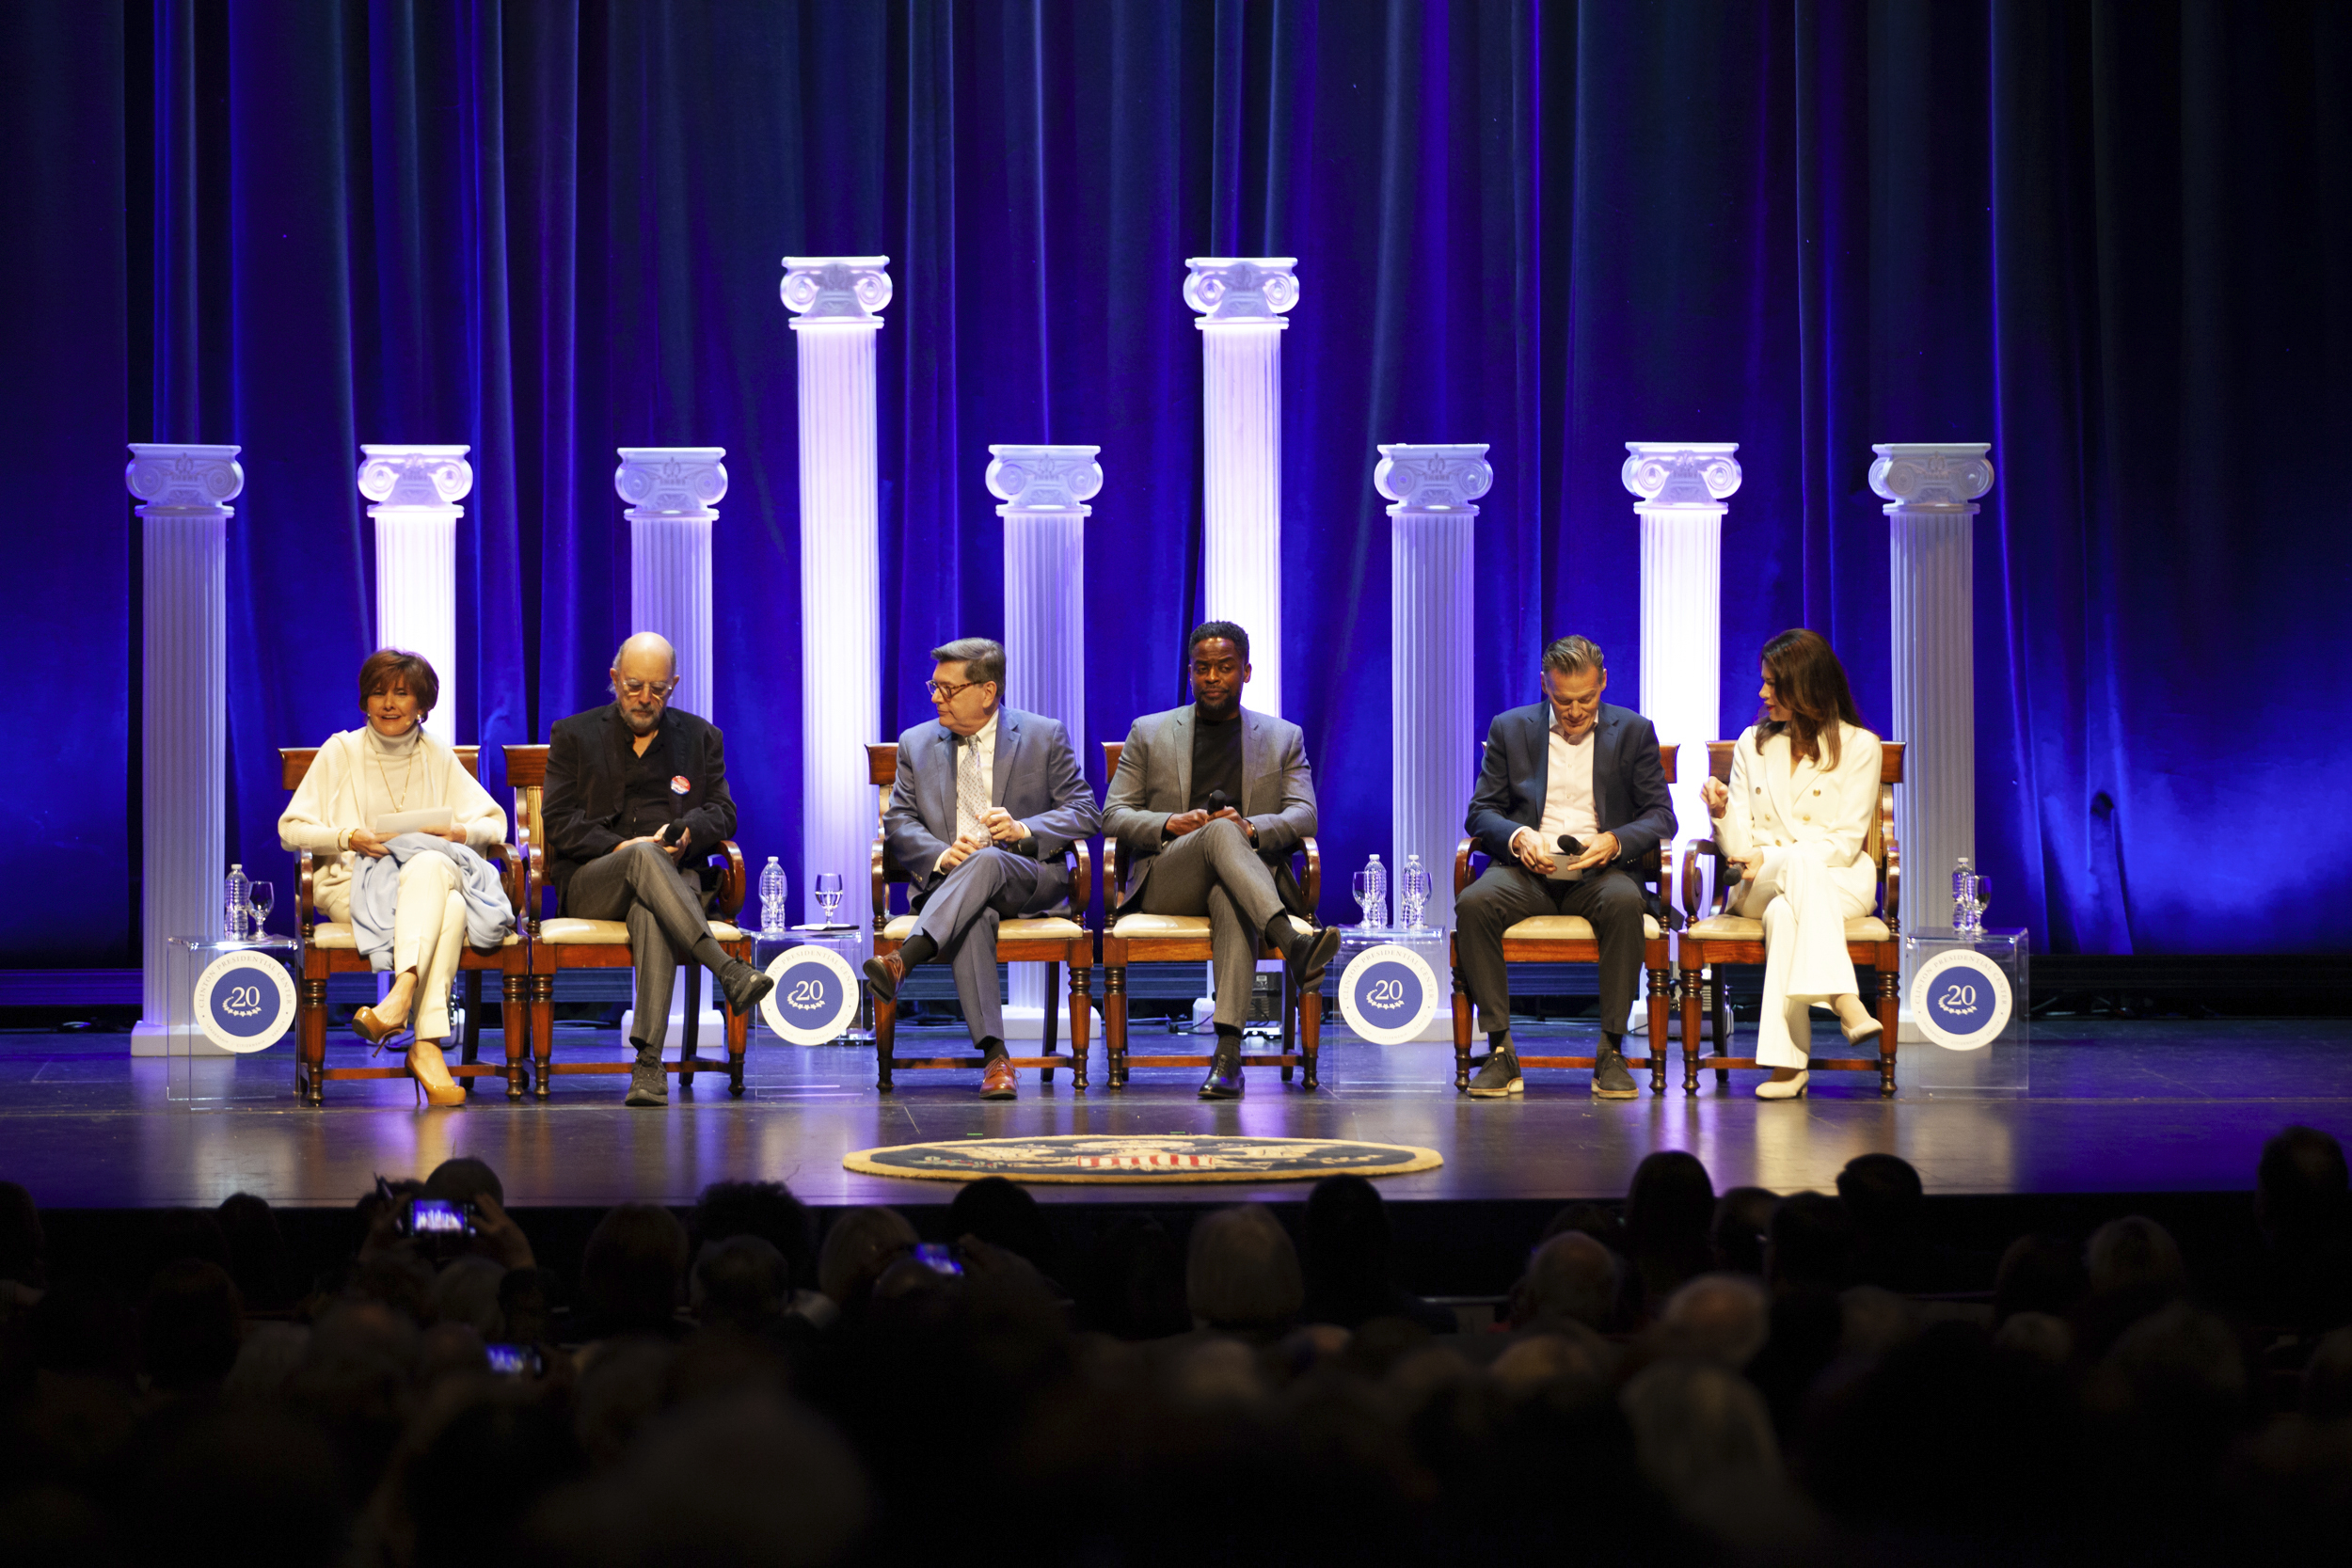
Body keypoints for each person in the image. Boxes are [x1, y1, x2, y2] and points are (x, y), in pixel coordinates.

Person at [1103, 622, 1341, 1099]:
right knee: (1217, 832)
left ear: (1246, 672)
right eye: (1203, 668)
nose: (1213, 677)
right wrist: (1170, 823)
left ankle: (1228, 1055)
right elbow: (1113, 814)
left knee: (1229, 891)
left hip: (1242, 880)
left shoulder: (1282, 737)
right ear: (1191, 673)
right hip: (1169, 876)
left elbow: (1304, 813)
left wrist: (1251, 828)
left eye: (1225, 667)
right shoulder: (1148, 732)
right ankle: (1291, 941)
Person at [861, 638, 1102, 1100]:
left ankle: (903, 959)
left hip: (1025, 879)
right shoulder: (916, 742)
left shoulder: (1042, 734)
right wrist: (938, 854)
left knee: (989, 857)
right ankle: (997, 1060)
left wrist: (1023, 827)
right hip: (951, 886)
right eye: (934, 686)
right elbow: (899, 820)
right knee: (975, 916)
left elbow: (1086, 811)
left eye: (947, 690)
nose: (935, 698)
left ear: (987, 691)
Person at [544, 633, 774, 1108]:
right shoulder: (575, 734)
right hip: (595, 880)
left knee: (652, 910)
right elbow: (559, 821)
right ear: (614, 680)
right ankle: (726, 969)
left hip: (672, 883)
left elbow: (724, 813)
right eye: (633, 687)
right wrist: (624, 846)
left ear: (673, 685)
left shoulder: (700, 737)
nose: (645, 699)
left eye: (658, 689)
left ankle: (648, 1065)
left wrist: (688, 830)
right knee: (642, 856)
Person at [278, 649, 511, 1107]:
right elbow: (291, 829)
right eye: (378, 692)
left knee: (431, 868)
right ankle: (424, 1040)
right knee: (450, 895)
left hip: (421, 885)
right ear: (364, 701)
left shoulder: (436, 753)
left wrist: (459, 831)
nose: (388, 703)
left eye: (401, 694)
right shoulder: (340, 751)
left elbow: (494, 823)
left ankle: (401, 1001)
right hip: (352, 884)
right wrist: (348, 837)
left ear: (422, 704)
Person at [1456, 636, 1676, 1100]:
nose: (1575, 711)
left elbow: (1661, 816)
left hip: (1599, 872)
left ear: (1604, 683)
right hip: (1528, 872)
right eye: (1562, 699)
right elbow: (1480, 812)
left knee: (1623, 901)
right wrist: (1519, 837)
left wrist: (1615, 840)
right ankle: (1499, 1051)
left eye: (1586, 699)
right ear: (1544, 686)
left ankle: (1612, 1052)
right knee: (1474, 903)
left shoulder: (1634, 731)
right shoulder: (1509, 728)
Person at [1696, 628, 1884, 1099]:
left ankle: (1787, 1066)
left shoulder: (1861, 746)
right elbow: (1739, 847)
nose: (1762, 694)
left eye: (1773, 684)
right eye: (1763, 682)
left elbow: (1844, 843)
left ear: (1807, 687)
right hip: (1756, 886)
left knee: (1789, 907)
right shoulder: (1752, 743)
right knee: (1788, 885)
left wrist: (1775, 858)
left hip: (1841, 882)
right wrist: (1721, 814)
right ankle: (1846, 1000)